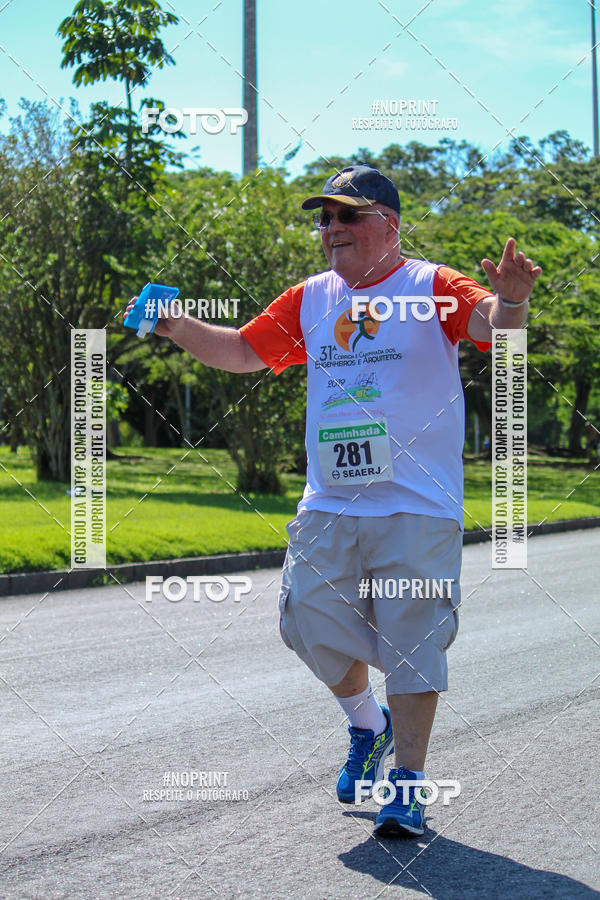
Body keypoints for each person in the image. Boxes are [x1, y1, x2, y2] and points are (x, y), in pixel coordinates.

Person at [126, 165, 541, 837]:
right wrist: (174, 324)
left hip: (417, 503)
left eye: (348, 217)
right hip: (332, 502)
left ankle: (407, 786)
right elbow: (240, 352)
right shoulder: (311, 299)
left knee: (412, 644)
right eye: (325, 219)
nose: (332, 230)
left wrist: (514, 300)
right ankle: (366, 725)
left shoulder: (429, 285)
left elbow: (494, 328)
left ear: (390, 226)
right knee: (306, 622)